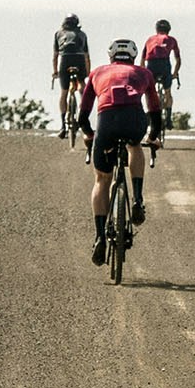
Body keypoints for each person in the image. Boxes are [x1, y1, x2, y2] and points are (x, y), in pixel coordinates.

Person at [82, 38, 159, 260]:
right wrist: (153, 136)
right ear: (134, 57)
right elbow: (154, 109)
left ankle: (99, 237)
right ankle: (137, 198)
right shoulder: (143, 73)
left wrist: (89, 134)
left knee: (101, 180)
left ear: (110, 57)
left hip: (106, 119)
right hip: (134, 118)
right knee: (135, 145)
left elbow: (83, 113)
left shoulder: (97, 72)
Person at [52, 14, 92, 135]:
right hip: (79, 59)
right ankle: (83, 103)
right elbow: (87, 56)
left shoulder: (58, 33)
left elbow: (55, 56)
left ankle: (63, 125)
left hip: (65, 59)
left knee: (64, 92)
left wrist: (55, 71)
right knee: (81, 83)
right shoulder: (82, 34)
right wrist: (88, 72)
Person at [140, 19, 183, 129]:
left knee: (149, 92)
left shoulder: (150, 39)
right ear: (168, 30)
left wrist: (144, 74)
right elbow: (178, 59)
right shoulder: (171, 40)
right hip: (164, 65)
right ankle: (168, 118)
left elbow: (142, 59)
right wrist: (175, 73)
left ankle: (150, 113)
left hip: (151, 65)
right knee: (168, 92)